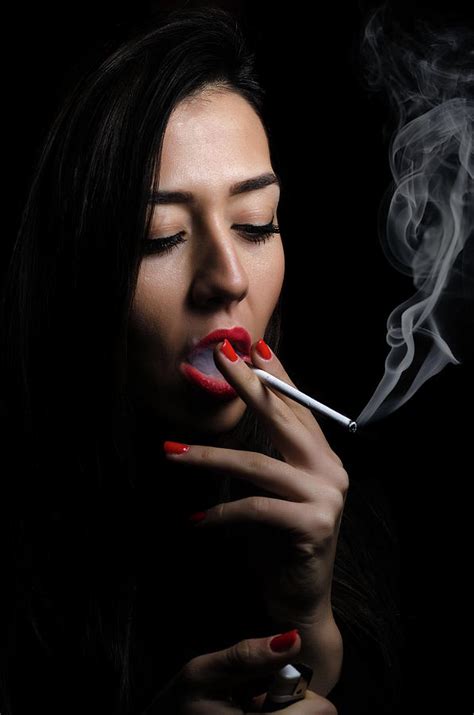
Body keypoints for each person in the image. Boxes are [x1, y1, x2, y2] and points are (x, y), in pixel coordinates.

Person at [0, 7, 401, 714]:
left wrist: (312, 629)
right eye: (160, 237)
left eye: (255, 225)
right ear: (77, 273)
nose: (229, 278)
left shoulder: (354, 524)